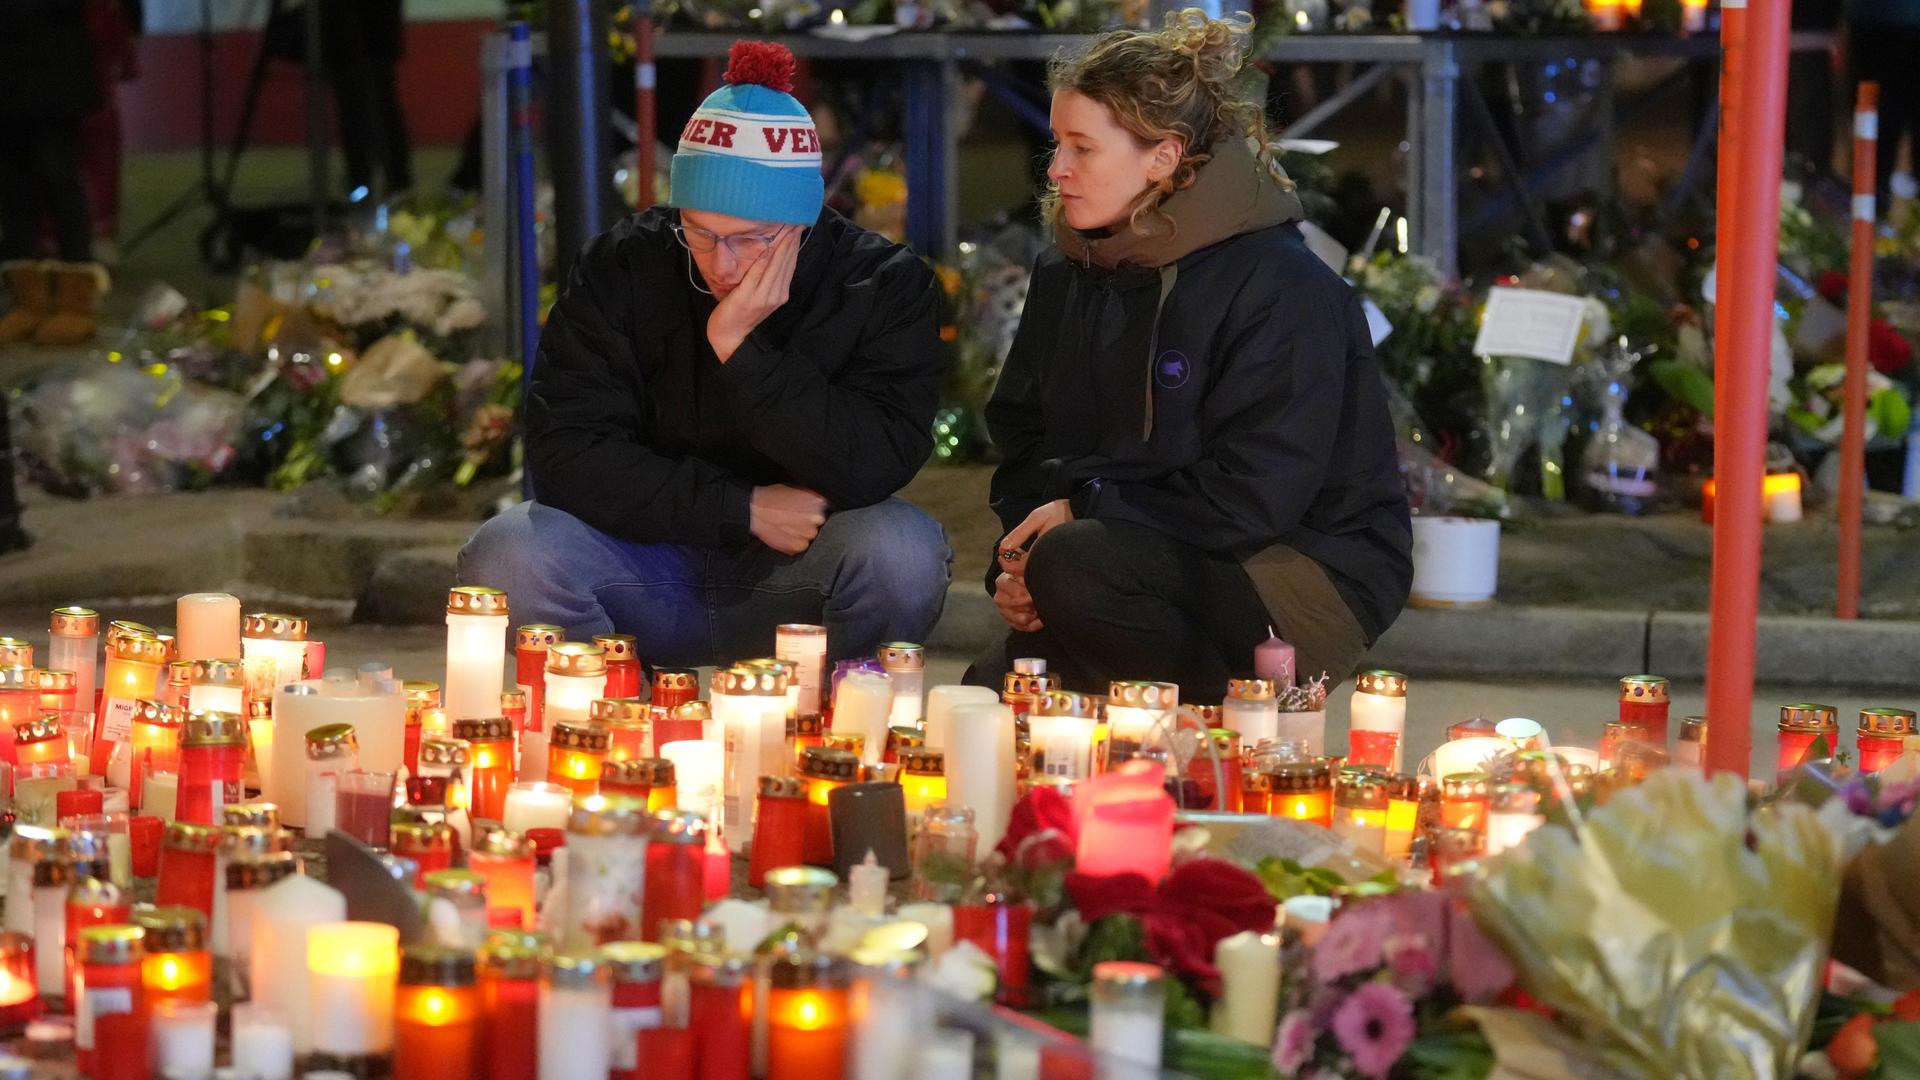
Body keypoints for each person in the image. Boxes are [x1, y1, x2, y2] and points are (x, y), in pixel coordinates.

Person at [459, 41, 951, 667]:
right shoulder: (625, 266)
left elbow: (876, 461)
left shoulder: (881, 283)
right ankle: (610, 721)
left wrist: (744, 351)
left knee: (901, 551)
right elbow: (566, 453)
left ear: (804, 220)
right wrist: (738, 508)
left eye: (750, 240)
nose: (721, 264)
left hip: (801, 570)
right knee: (508, 554)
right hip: (645, 563)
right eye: (699, 231)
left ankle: (835, 723)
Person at [963, 12, 1411, 696]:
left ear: (1164, 157)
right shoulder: (1069, 270)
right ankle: (1139, 725)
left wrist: (1081, 515)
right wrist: (1016, 560)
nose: (1057, 169)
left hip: (1297, 568)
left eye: (1082, 148)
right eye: (1057, 144)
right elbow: (1025, 434)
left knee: (1075, 570)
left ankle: (1239, 724)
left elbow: (1258, 492)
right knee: (989, 695)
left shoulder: (1279, 284)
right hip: (1125, 551)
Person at [0, 0, 110, 347]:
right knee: (10, 182)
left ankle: (76, 301)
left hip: (53, 62)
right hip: (8, 63)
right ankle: (28, 302)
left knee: (57, 175)